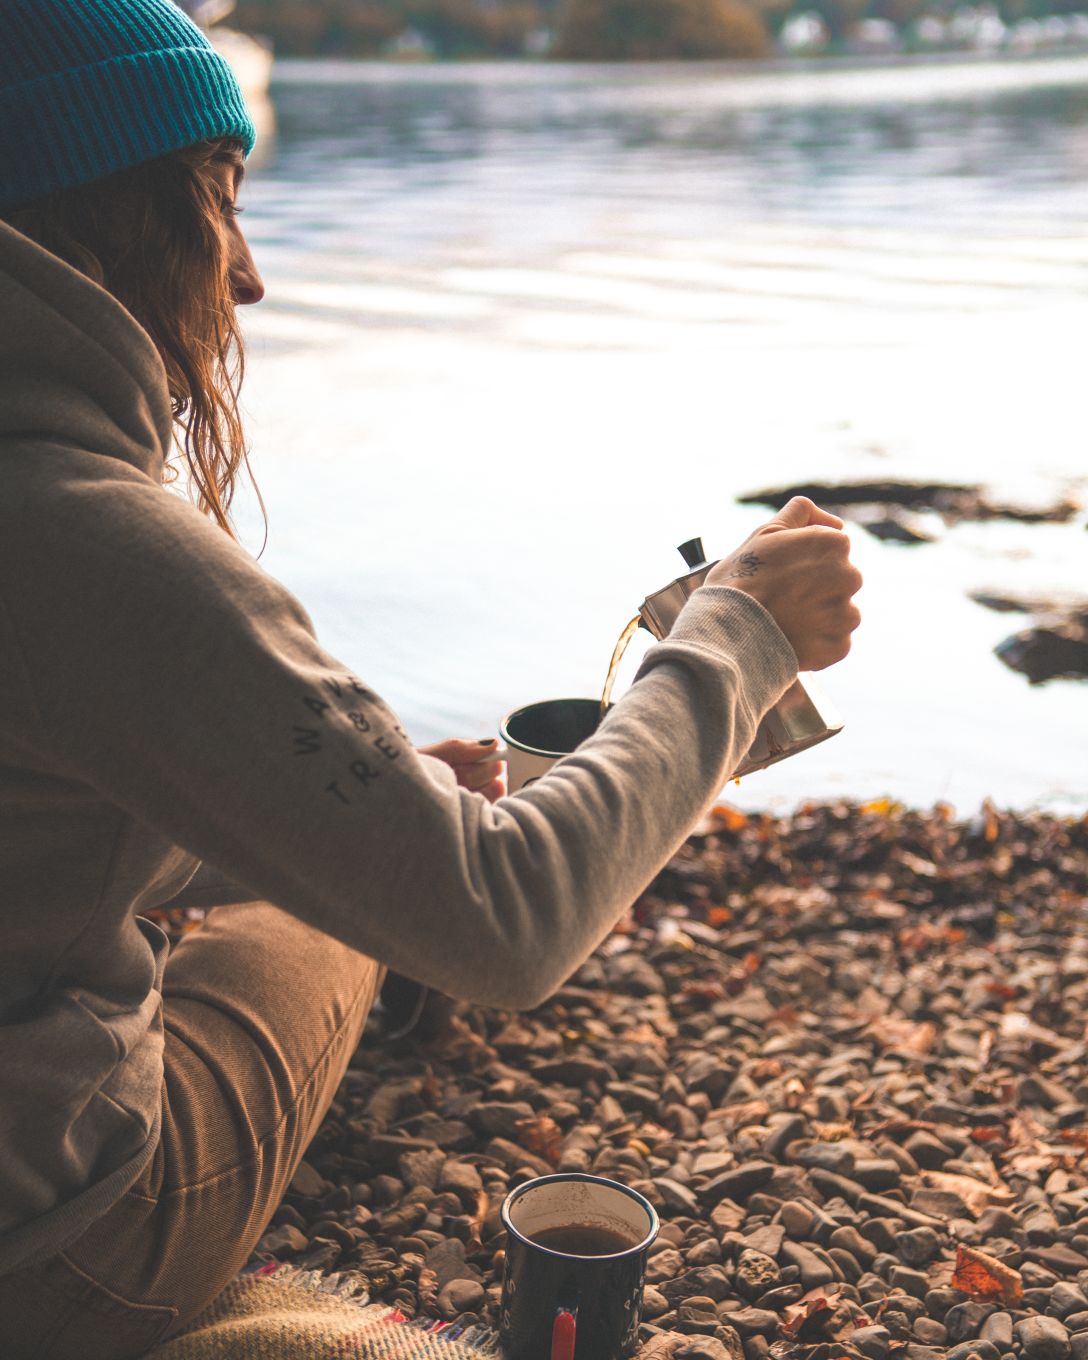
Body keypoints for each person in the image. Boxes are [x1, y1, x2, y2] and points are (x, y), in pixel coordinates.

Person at [0, 1, 862, 1355]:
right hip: (52, 1257)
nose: (246, 279)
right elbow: (509, 922)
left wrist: (329, 817)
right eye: (215, 207)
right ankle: (390, 978)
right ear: (96, 214)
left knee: (332, 860)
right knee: (331, 924)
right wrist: (740, 636)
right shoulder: (83, 536)